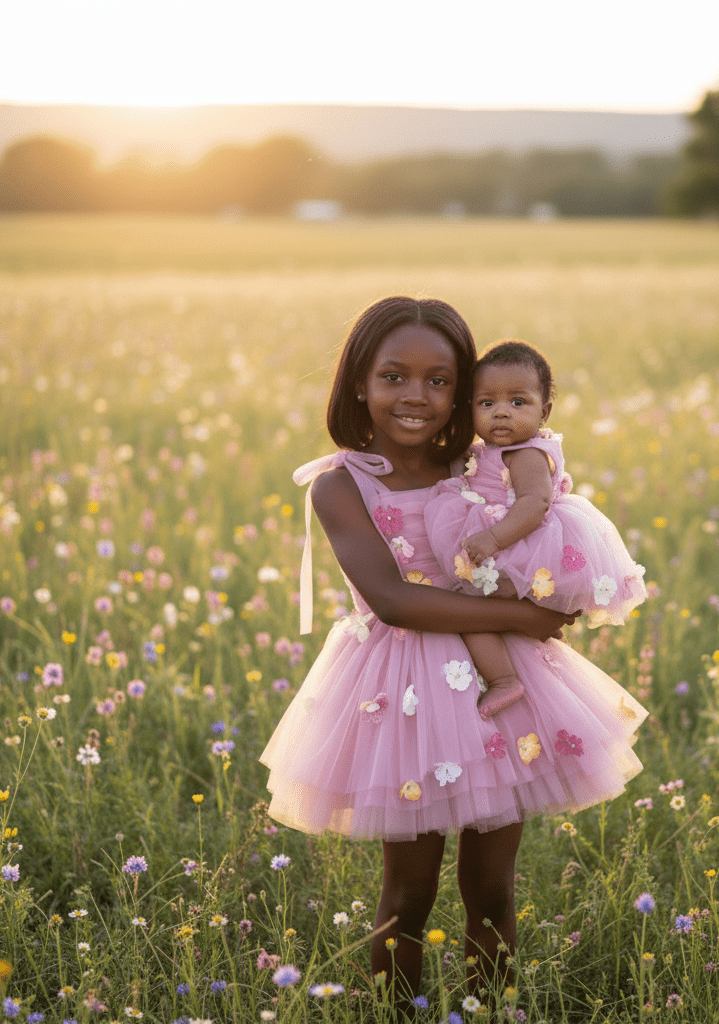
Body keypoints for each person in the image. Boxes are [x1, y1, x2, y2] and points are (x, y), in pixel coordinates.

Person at [259, 298, 647, 1009]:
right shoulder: (341, 483)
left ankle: (490, 1007)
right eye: (394, 377)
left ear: (465, 393)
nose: (416, 396)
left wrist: (550, 588)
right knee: (406, 894)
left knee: (493, 888)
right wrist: (521, 618)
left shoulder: (483, 466)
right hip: (398, 690)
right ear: (358, 384)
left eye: (440, 381)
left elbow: (541, 527)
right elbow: (394, 599)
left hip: (501, 682)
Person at [424, 340, 647, 718]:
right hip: (514, 546)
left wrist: (493, 538)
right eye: (487, 403)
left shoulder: (526, 453)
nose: (501, 414)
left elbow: (535, 503)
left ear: (543, 412)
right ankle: (528, 627)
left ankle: (503, 680)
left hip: (522, 544)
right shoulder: (491, 450)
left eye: (517, 402)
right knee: (478, 607)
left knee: (471, 610)